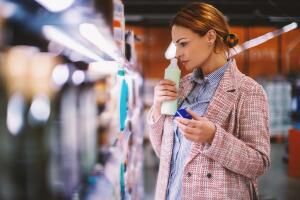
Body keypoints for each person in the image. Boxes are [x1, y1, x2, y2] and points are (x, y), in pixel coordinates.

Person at [147, 2, 270, 200]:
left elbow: (258, 164)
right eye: (175, 44)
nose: (177, 52)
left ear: (211, 37)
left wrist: (214, 137)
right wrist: (157, 108)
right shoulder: (182, 86)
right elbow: (164, 153)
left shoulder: (248, 91)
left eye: (183, 43)